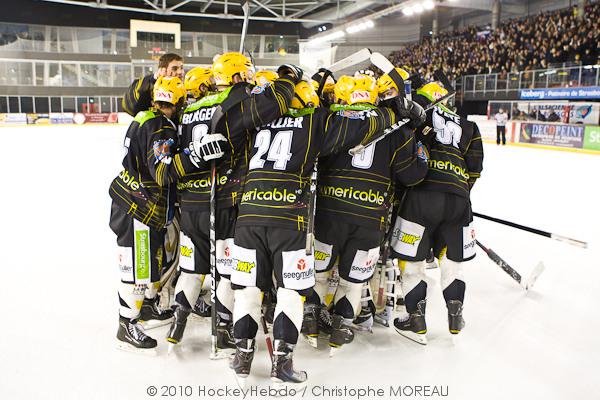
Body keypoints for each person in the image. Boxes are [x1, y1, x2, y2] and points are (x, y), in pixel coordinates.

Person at [230, 73, 424, 386]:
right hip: (289, 219)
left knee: (248, 290)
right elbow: (361, 125)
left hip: (248, 215)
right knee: (290, 292)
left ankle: (241, 357)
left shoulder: (255, 123)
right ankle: (282, 363)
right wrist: (394, 112)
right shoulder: (315, 123)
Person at [165, 52, 300, 355]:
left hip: (190, 204)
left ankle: (178, 323)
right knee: (228, 272)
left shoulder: (191, 108)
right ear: (239, 76)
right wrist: (287, 79)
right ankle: (223, 328)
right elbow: (274, 104)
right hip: (223, 200)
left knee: (190, 270)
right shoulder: (236, 99)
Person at [306, 69, 428, 355]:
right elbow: (411, 175)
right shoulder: (396, 128)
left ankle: (311, 321)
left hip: (329, 215)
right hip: (370, 220)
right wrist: (420, 145)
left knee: (319, 273)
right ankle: (340, 329)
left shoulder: (330, 120)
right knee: (352, 280)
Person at [389, 81, 484, 345]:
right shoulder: (470, 126)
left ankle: (415, 320)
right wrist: (456, 194)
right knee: (452, 261)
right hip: (458, 200)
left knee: (412, 262)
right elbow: (475, 170)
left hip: (421, 196)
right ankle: (455, 317)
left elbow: (403, 155)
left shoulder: (418, 115)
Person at [109, 76, 194, 353]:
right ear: (177, 101)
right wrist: (192, 157)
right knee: (138, 270)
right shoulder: (160, 128)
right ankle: (126, 324)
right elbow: (162, 172)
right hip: (139, 208)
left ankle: (144, 309)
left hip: (131, 202)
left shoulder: (145, 116)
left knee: (148, 266)